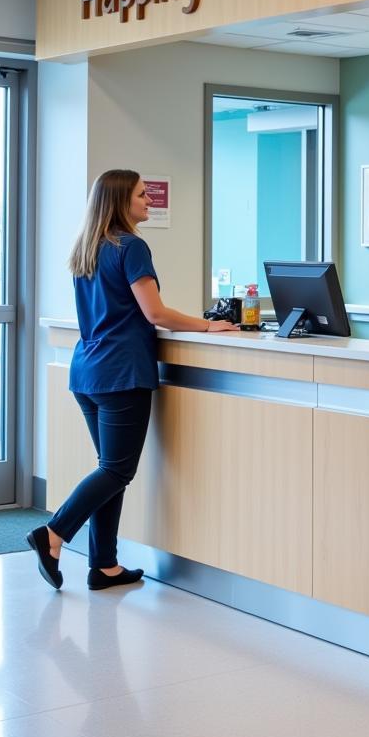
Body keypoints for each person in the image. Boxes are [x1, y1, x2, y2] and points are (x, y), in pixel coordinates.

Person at [27, 170, 238, 591]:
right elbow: (155, 313)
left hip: (87, 371)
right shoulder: (132, 246)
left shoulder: (87, 248)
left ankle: (104, 565)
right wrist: (207, 325)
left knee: (111, 469)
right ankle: (53, 533)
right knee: (116, 469)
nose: (150, 201)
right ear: (122, 200)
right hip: (121, 373)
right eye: (142, 195)